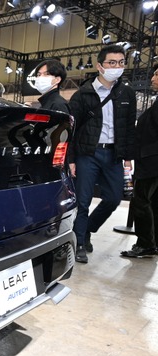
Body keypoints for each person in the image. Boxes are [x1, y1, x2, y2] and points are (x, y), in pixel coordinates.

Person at [68, 44, 136, 263]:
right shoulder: (83, 94)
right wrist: (71, 159)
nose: (117, 67)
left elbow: (129, 128)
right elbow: (71, 130)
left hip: (113, 154)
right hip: (88, 153)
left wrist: (128, 157)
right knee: (83, 201)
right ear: (100, 66)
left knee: (113, 199)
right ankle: (79, 243)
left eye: (121, 62)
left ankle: (87, 228)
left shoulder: (126, 93)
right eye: (112, 63)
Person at [121, 64, 158, 258]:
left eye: (157, 74)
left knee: (140, 201)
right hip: (150, 159)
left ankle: (145, 244)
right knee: (153, 201)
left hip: (152, 161)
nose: (152, 78)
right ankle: (152, 242)